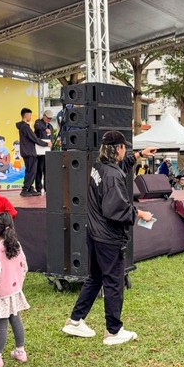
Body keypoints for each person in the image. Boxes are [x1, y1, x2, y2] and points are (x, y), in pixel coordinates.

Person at [62, 133, 156, 346]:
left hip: (94, 233)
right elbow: (116, 209)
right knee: (114, 282)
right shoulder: (112, 175)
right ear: (119, 148)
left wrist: (140, 154)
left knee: (95, 278)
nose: (125, 151)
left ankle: (75, 321)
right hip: (108, 238)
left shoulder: (100, 166)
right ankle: (113, 331)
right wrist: (140, 214)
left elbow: (120, 168)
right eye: (124, 148)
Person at [0, 213, 28, 367]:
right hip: (15, 290)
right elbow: (24, 266)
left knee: (1, 326)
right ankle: (20, 351)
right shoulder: (17, 245)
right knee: (16, 319)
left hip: (1, 294)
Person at [16, 108, 48, 197]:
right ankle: (25, 189)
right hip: (29, 152)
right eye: (29, 115)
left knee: (31, 171)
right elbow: (35, 138)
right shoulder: (25, 127)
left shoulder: (23, 127)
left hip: (27, 152)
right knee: (31, 171)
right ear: (25, 116)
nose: (30, 117)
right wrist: (46, 144)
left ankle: (30, 188)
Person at [33, 109, 56, 193]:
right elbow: (37, 126)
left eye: (50, 118)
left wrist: (51, 144)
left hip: (47, 151)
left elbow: (51, 138)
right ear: (44, 116)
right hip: (39, 151)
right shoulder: (38, 122)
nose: (49, 120)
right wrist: (45, 128)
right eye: (47, 118)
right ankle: (38, 188)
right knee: (39, 169)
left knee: (47, 170)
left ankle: (47, 187)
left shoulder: (51, 126)